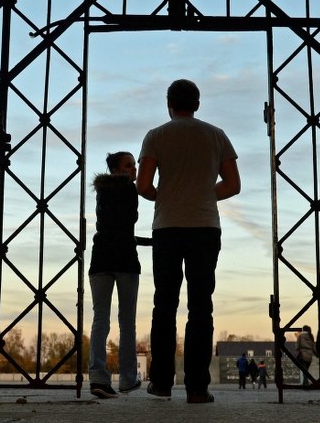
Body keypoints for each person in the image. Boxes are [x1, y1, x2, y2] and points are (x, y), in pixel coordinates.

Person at [137, 79, 241, 404]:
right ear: (197, 103)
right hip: (205, 227)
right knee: (200, 306)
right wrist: (203, 194)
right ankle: (197, 387)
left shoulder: (156, 135)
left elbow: (142, 185)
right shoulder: (216, 135)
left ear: (169, 103)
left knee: (164, 305)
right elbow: (233, 184)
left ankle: (162, 383)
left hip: (167, 227)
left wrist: (165, 196)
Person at [87, 152, 152, 399]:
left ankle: (98, 378)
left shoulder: (103, 192)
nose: (134, 169)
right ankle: (126, 379)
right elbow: (125, 228)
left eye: (135, 165)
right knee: (127, 322)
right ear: (116, 169)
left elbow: (111, 228)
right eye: (129, 165)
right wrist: (151, 241)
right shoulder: (128, 190)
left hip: (101, 259)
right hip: (125, 260)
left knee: (100, 320)